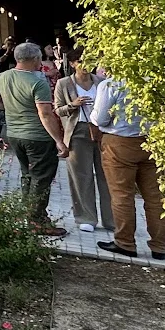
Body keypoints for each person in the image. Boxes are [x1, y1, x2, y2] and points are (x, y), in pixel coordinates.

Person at [0, 41, 71, 237]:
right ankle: (38, 221)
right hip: (37, 136)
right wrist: (59, 140)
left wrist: (13, 109)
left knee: (27, 175)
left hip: (15, 134)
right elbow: (45, 114)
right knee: (41, 179)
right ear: (34, 59)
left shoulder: (3, 76)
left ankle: (24, 214)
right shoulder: (38, 82)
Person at [91, 74, 165, 259]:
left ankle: (125, 242)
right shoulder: (158, 80)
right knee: (155, 198)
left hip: (120, 142)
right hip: (152, 143)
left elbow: (100, 119)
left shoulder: (111, 84)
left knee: (122, 195)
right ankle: (159, 246)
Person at [55, 54, 112, 233]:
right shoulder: (64, 83)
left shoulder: (102, 82)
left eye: (90, 61)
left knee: (107, 175)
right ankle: (86, 217)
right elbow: (58, 110)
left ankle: (112, 219)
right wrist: (73, 104)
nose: (86, 65)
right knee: (81, 176)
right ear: (72, 63)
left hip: (102, 131)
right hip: (77, 131)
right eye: (81, 61)